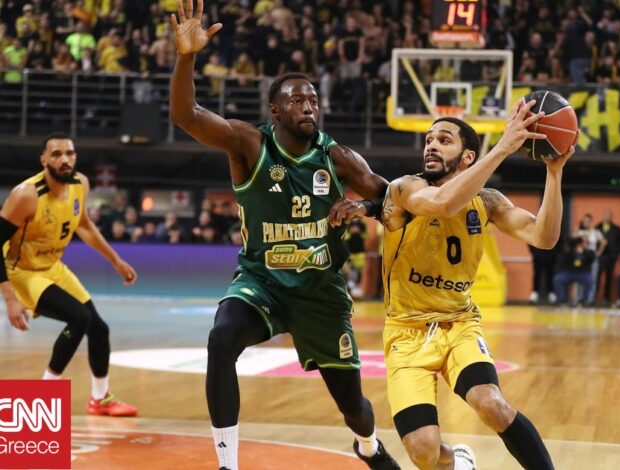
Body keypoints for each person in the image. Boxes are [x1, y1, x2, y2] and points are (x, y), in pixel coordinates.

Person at [168, 1, 399, 469]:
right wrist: (186, 57)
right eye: (297, 100)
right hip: (262, 283)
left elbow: (395, 200)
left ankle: (369, 445)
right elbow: (186, 115)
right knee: (221, 339)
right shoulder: (248, 144)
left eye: (313, 100)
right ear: (275, 110)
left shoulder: (338, 159)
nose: (308, 107)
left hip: (320, 292)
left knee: (354, 409)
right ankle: (227, 464)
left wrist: (365, 207)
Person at [331, 102, 568, 469]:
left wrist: (554, 173)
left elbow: (545, 237)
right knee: (423, 451)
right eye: (429, 140)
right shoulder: (405, 189)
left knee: (491, 403)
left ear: (468, 156)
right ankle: (456, 462)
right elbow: (442, 203)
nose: (431, 145)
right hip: (406, 333)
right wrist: (503, 147)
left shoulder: (487, 201)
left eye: (444, 140)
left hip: (459, 324)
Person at [0, 133, 138, 417]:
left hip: (52, 267)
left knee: (99, 329)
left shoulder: (80, 184)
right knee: (79, 318)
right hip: (22, 271)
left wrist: (115, 260)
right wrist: (10, 298)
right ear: (44, 159)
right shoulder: (26, 195)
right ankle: (42, 398)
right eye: (56, 154)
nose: (64, 159)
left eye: (70, 153)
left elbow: (84, 225)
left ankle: (100, 399)